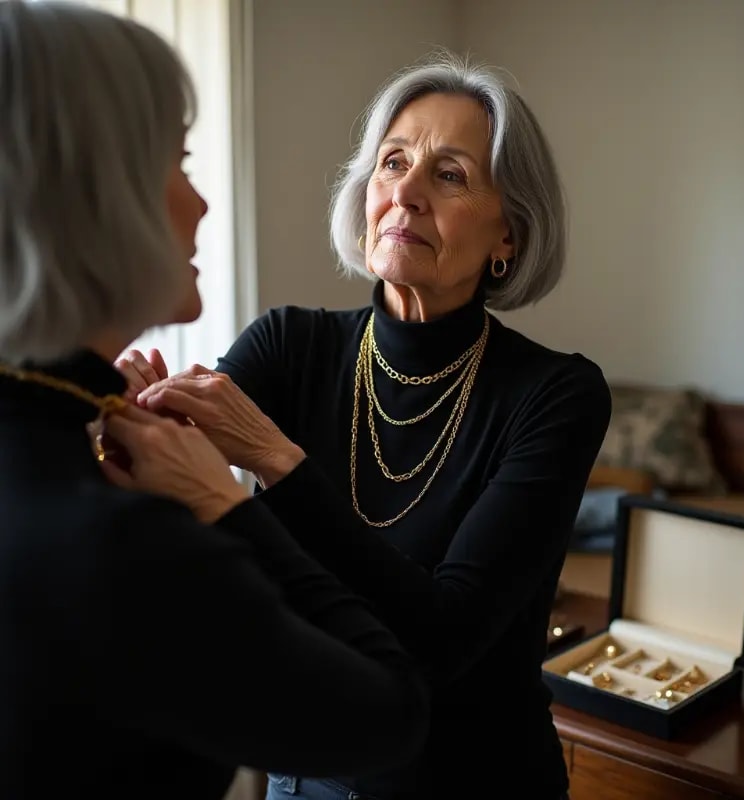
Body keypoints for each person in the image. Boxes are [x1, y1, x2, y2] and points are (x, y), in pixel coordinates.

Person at [121, 52, 612, 800]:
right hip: (306, 770)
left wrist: (275, 461)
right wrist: (134, 417)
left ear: (508, 234)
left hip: (477, 779)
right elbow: (177, 508)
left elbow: (444, 638)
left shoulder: (557, 395)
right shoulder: (288, 345)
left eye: (449, 175)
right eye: (392, 162)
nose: (406, 192)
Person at [0, 3, 432, 799]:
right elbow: (386, 712)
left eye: (450, 173)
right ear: (93, 196)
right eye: (182, 162)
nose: (201, 205)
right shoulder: (119, 546)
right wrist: (224, 502)